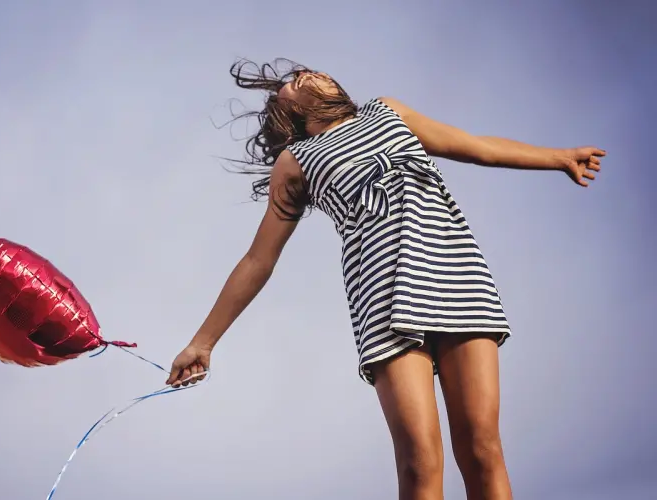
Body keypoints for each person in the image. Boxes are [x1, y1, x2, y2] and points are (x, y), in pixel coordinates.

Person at [165, 59, 604, 500]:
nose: (306, 76)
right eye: (294, 83)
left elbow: (477, 147)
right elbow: (258, 260)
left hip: (457, 275)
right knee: (418, 461)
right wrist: (203, 342)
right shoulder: (296, 161)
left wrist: (559, 157)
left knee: (481, 447)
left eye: (306, 72)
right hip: (383, 299)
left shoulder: (387, 111)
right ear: (289, 112)